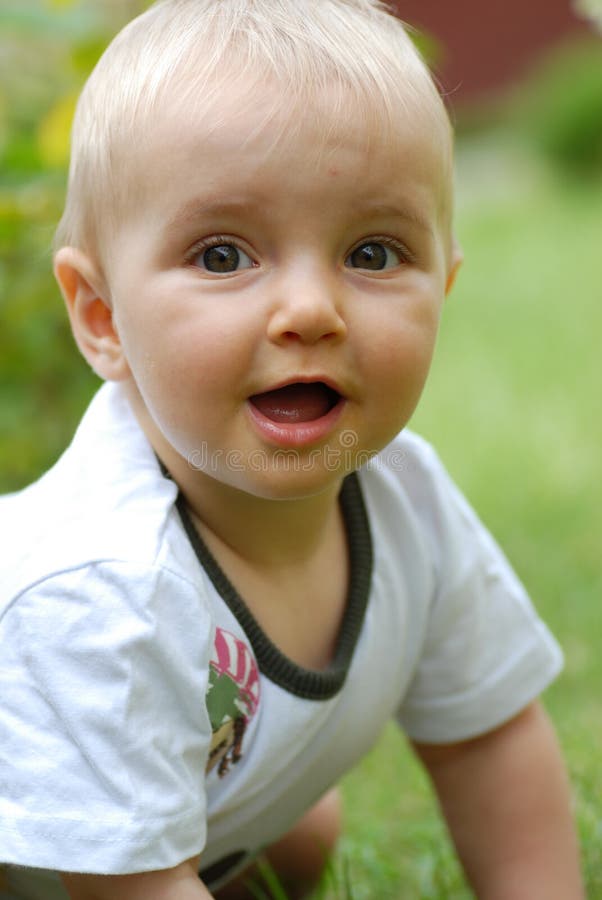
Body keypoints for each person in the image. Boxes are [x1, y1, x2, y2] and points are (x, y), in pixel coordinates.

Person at [0, 1, 584, 897]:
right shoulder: (101, 587)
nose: (311, 310)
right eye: (225, 256)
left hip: (178, 832)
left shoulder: (407, 500)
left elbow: (489, 734)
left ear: (446, 283)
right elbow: (129, 887)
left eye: (375, 252)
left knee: (304, 835)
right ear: (103, 318)